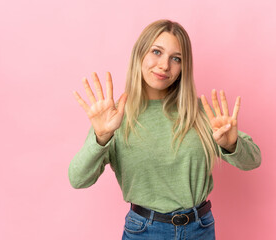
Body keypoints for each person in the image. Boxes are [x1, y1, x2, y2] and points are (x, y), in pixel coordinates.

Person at [69, 19, 261, 240]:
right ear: (139, 54)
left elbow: (253, 160)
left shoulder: (201, 113)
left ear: (183, 67)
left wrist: (231, 145)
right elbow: (78, 179)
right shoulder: (115, 118)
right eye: (156, 52)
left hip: (200, 229)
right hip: (144, 231)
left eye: (176, 58)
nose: (164, 65)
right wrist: (101, 137)